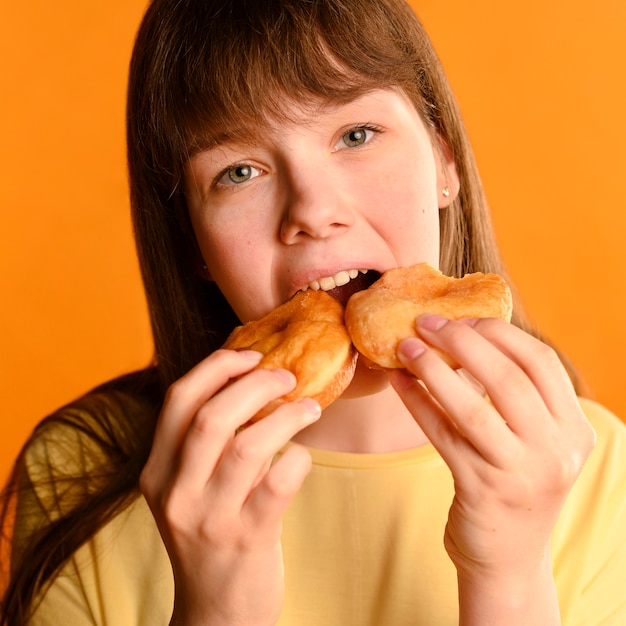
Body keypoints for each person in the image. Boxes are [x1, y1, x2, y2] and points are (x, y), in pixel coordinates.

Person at [2, 0, 625, 624]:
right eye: (238, 171)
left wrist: (510, 578)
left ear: (443, 159)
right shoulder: (80, 471)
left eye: (355, 135)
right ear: (194, 244)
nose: (312, 210)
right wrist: (214, 610)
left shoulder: (597, 470)